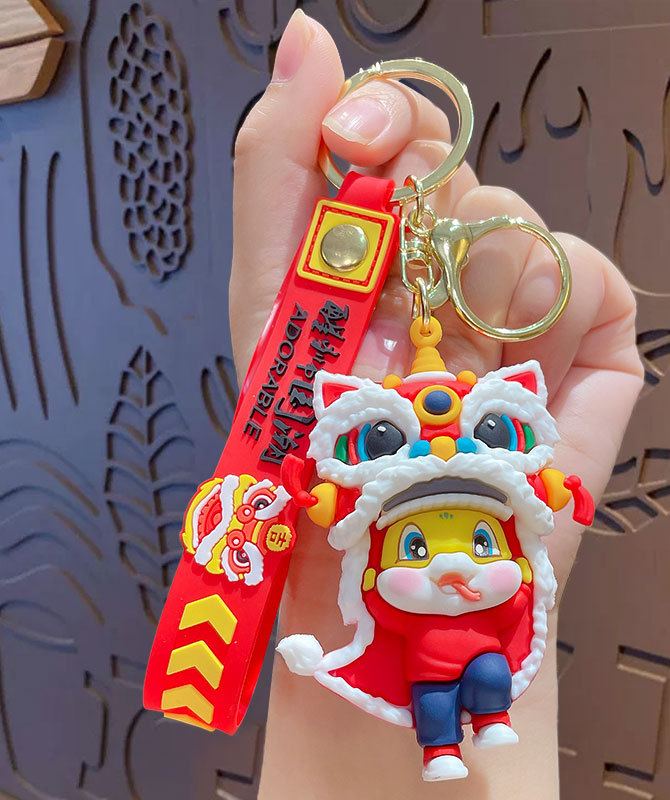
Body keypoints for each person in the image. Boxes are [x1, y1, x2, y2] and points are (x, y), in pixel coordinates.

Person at [229, 9, 643, 798]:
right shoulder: (369, 525)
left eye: (478, 542)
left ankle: (481, 723)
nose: (454, 568)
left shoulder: (506, 559)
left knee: (481, 683)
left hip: (479, 659)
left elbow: (540, 513)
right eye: (418, 549)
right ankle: (452, 736)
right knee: (442, 693)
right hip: (405, 661)